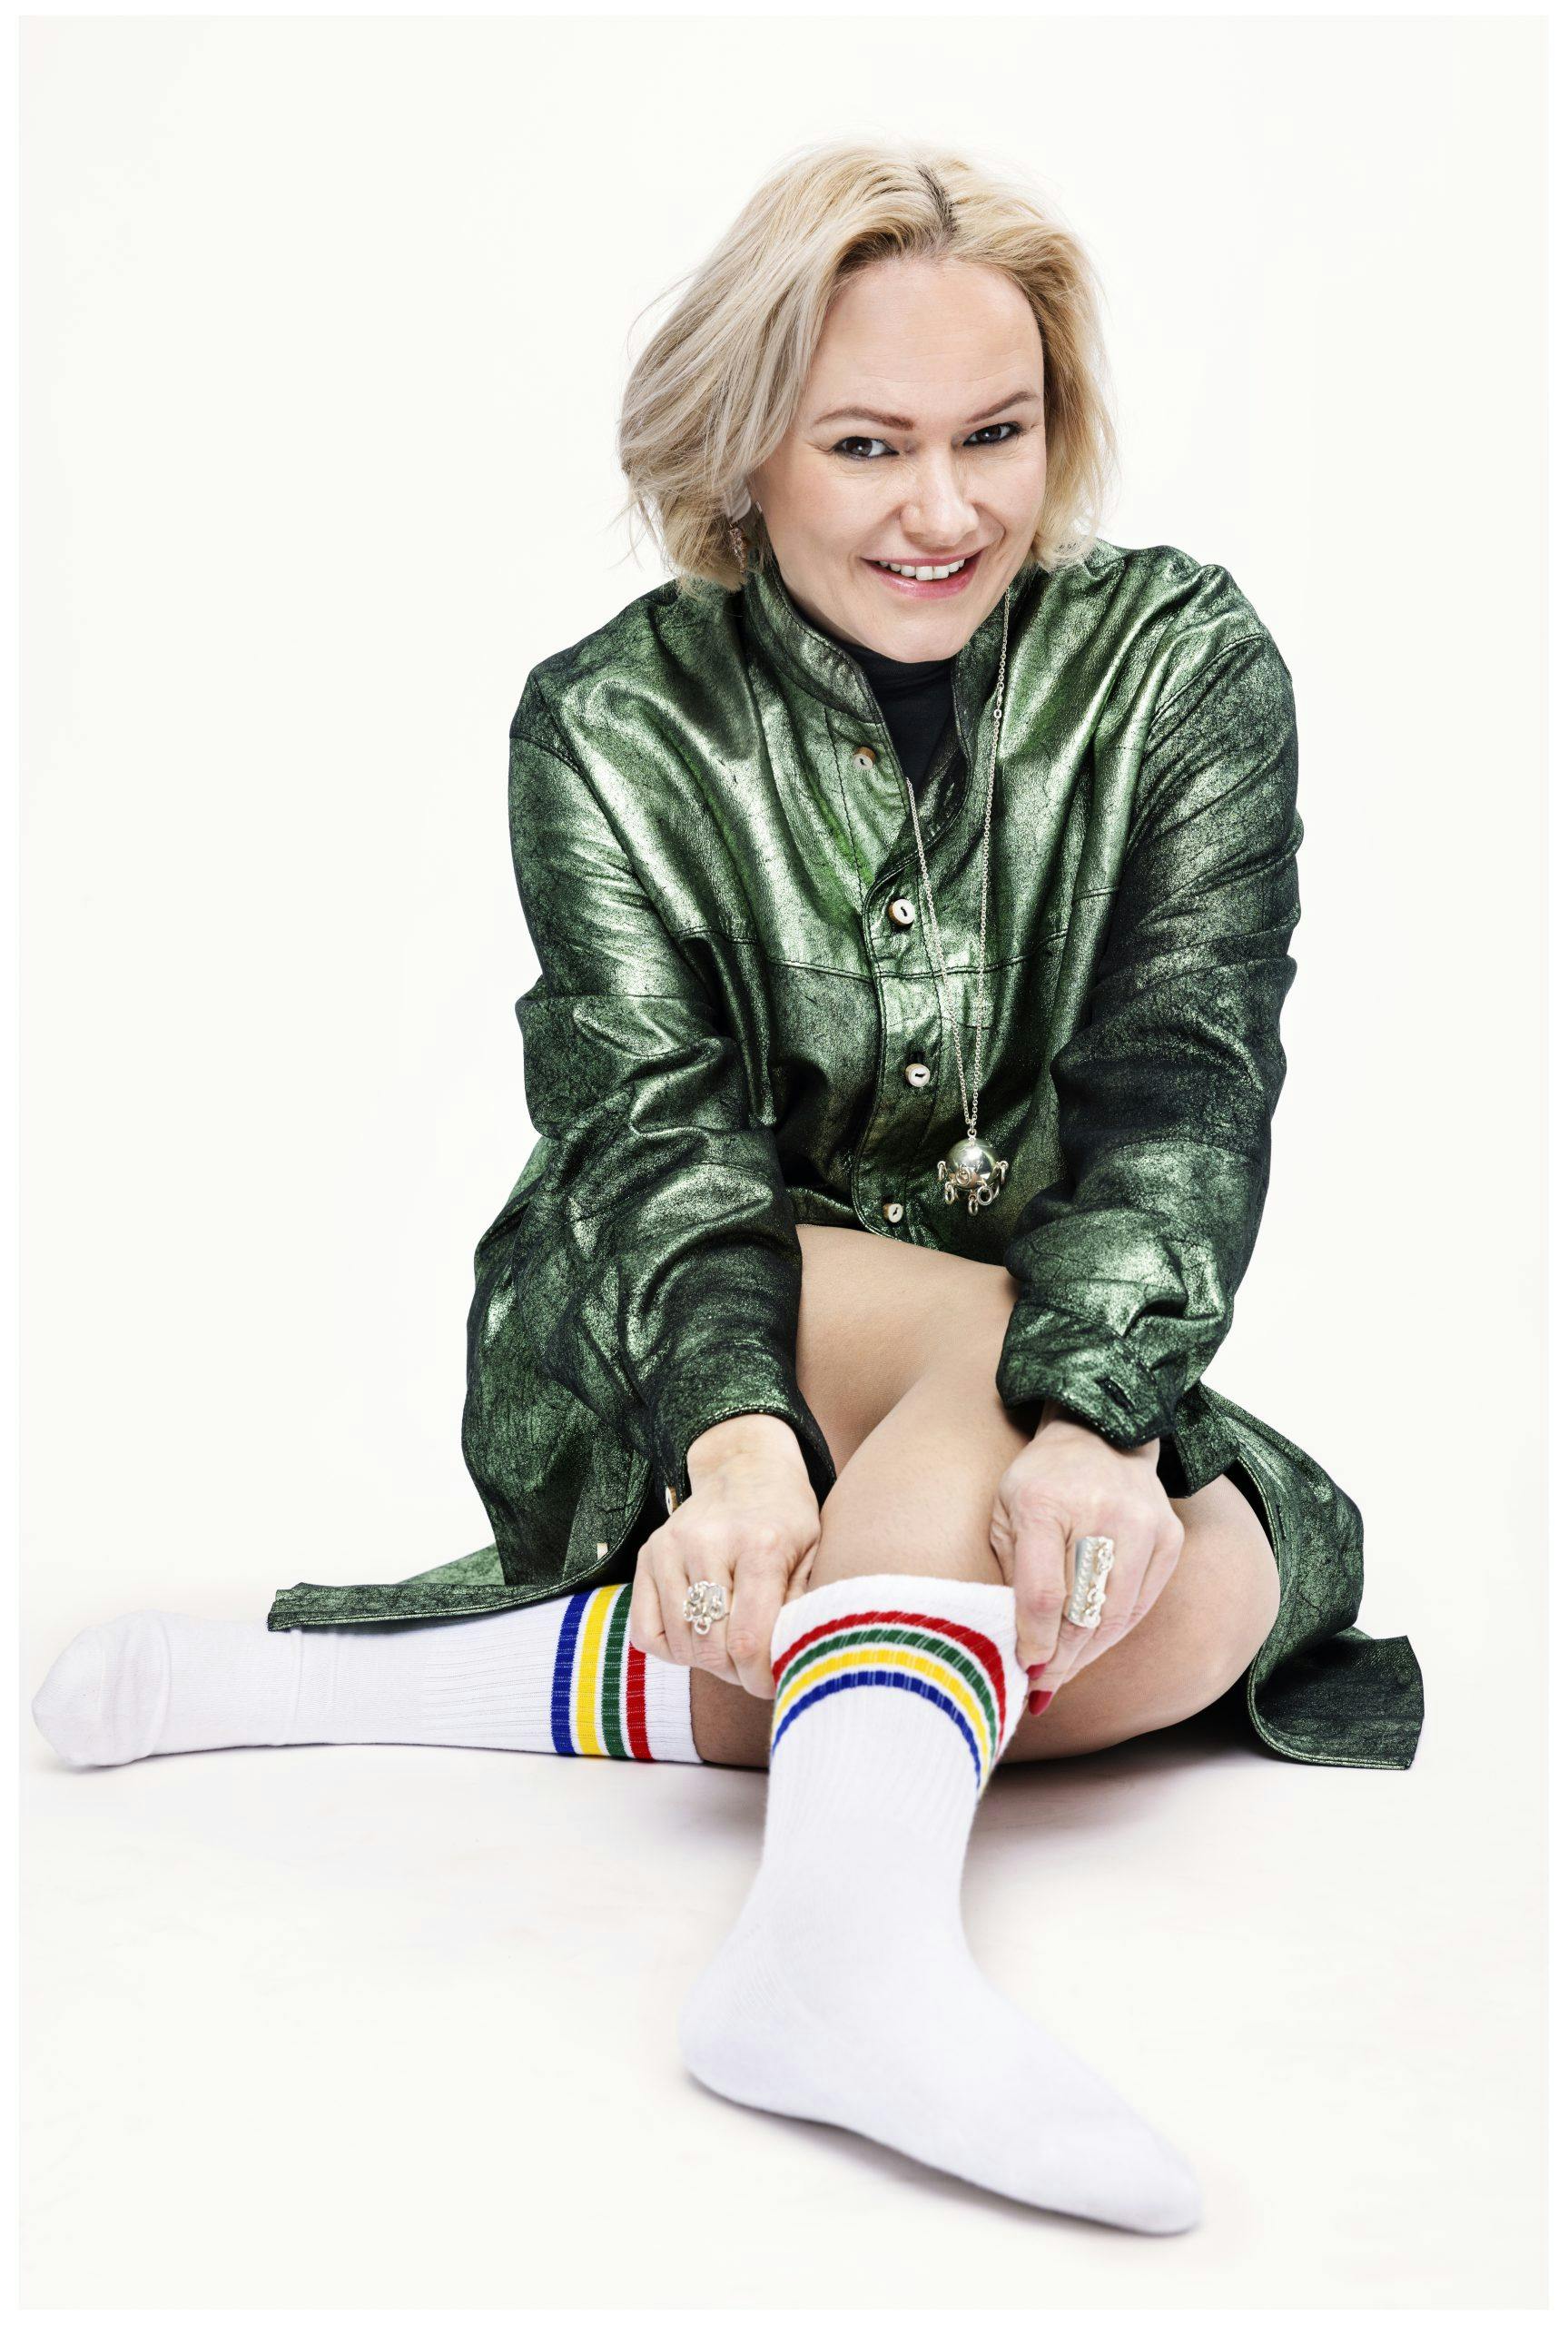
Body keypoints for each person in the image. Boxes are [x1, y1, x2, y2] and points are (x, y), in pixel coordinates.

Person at [32, 138, 1425, 2234]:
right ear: (745, 447)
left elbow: (1184, 1075)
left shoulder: (1180, 664)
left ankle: (398, 1686)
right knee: (986, 1372)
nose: (943, 508)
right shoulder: (609, 720)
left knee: (1209, 1597)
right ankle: (846, 1955)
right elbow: (652, 1136)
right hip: (671, 1331)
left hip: (1044, 1340)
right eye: (867, 444)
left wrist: (1096, 1420)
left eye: (995, 434)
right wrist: (741, 1438)